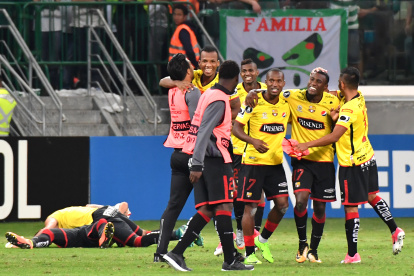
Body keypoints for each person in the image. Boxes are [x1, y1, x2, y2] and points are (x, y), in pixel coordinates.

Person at [294, 67, 405, 263]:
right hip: (368, 157)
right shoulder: (358, 97)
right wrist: (318, 88)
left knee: (350, 208)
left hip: (352, 163)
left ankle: (352, 255)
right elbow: (334, 95)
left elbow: (334, 136)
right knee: (372, 196)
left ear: (343, 84)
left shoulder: (348, 108)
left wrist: (306, 144)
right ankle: (395, 229)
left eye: (338, 82)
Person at [163, 60, 253, 271]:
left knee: (207, 209)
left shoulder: (209, 94)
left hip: (201, 157)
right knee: (223, 206)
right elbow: (204, 130)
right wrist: (197, 164)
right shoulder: (220, 100)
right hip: (213, 159)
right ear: (236, 78)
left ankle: (177, 253)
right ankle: (229, 260)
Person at [245, 68, 340, 263]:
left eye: (318, 81)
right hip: (301, 160)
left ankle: (314, 250)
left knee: (320, 208)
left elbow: (351, 103)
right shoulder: (293, 96)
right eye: (311, 79)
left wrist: (337, 116)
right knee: (300, 201)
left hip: (324, 160)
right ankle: (301, 244)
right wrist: (252, 91)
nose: (313, 83)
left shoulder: (334, 102)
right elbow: (271, 89)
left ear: (326, 86)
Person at [233, 68, 290, 265]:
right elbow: (236, 128)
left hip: (275, 164)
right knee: (251, 208)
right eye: (271, 81)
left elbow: (308, 93)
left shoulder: (287, 101)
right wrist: (253, 141)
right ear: (265, 82)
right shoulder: (253, 102)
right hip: (253, 163)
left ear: (283, 83)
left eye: (278, 81)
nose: (275, 84)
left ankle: (262, 240)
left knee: (282, 205)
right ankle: (249, 252)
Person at [214, 58, 267, 255]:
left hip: (257, 150)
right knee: (236, 192)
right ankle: (238, 233)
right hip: (236, 149)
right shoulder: (234, 91)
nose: (247, 74)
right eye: (244, 71)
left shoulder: (265, 90)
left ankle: (254, 233)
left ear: (257, 72)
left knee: (258, 194)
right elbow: (227, 113)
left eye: (251, 70)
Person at [154, 54, 202, 262]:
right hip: (193, 155)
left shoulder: (173, 89)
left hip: (176, 154)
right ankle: (179, 251)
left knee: (173, 206)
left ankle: (160, 252)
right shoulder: (192, 92)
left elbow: (163, 80)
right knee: (210, 207)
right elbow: (197, 125)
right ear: (189, 72)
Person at [160, 45, 241, 120]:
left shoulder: (224, 82)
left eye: (212, 61)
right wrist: (177, 83)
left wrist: (214, 120)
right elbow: (162, 81)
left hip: (215, 131)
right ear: (199, 63)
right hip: (195, 128)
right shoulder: (194, 75)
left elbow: (237, 109)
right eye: (205, 61)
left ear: (218, 63)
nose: (208, 65)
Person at [6, 219, 115, 249]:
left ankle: (103, 239)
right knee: (49, 232)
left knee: (102, 222)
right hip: (78, 234)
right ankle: (30, 243)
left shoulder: (116, 219)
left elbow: (124, 206)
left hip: (86, 233)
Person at [169, 4, 201, 69]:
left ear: (185, 16)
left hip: (183, 67)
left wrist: (196, 65)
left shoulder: (183, 30)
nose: (176, 17)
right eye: (174, 14)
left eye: (179, 15)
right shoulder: (182, 28)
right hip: (182, 66)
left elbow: (189, 50)